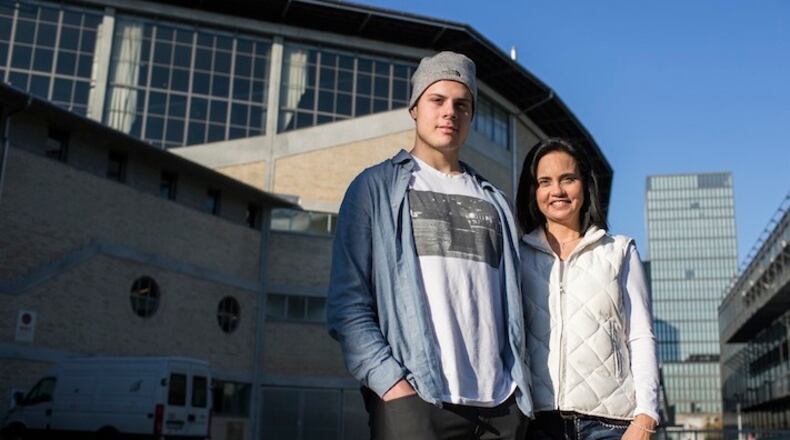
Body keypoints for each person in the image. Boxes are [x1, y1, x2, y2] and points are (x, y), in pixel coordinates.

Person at [326, 51, 533, 440]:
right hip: (418, 400)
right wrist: (392, 386)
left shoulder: (496, 201)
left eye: (462, 104)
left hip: (501, 407)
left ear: (471, 116)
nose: (449, 112)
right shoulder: (375, 189)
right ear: (415, 108)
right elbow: (347, 303)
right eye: (437, 100)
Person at [515, 138, 660, 439]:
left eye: (568, 179)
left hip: (610, 425)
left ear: (585, 185)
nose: (557, 191)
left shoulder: (619, 251)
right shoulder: (518, 255)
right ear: (534, 192)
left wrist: (646, 418)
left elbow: (641, 336)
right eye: (545, 182)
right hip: (538, 424)